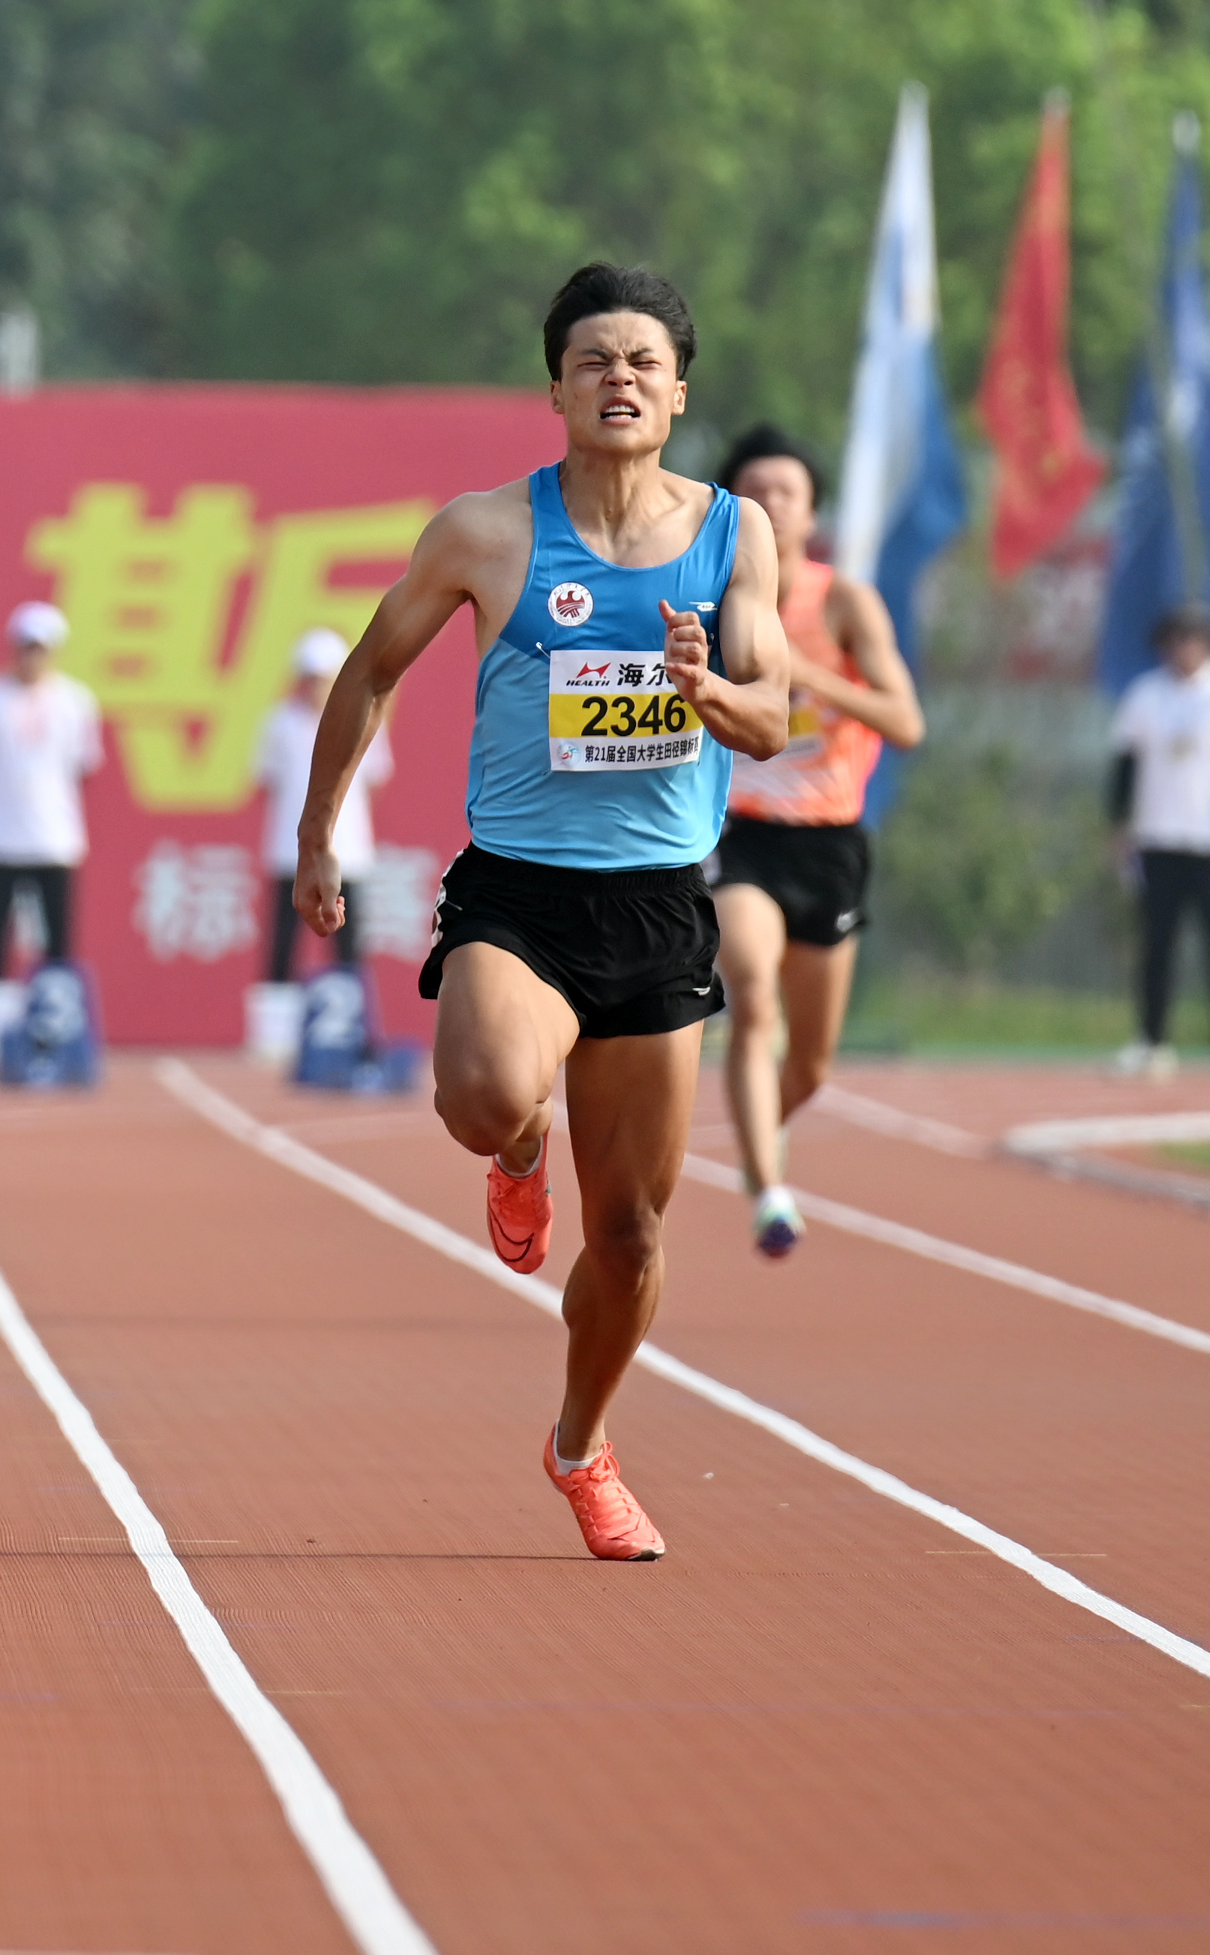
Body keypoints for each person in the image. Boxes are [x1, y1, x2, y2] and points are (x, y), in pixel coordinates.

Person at [293, 264, 790, 1561]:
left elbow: (774, 719)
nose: (618, 379)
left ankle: (581, 1445)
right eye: (592, 361)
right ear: (556, 387)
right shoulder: (485, 532)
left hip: (660, 909)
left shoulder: (735, 533)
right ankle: (517, 1157)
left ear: (678, 390)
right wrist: (316, 833)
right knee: (480, 1095)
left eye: (642, 361)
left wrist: (706, 693)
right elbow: (369, 670)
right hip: (519, 892)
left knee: (628, 1237)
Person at [707, 425, 923, 1252]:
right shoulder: (713, 596)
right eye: (752, 490)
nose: (769, 502)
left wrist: (813, 676)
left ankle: (763, 1133)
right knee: (751, 996)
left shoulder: (843, 603)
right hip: (744, 835)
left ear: (809, 510)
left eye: (785, 490)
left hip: (830, 844)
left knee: (810, 1066)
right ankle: (769, 1189)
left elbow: (905, 720)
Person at [0, 600, 104, 978]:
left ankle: (55, 1020)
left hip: (54, 839)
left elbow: (83, 765)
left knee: (58, 938)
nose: (31, 657)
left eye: (40, 649)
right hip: (0, 838)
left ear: (54, 652)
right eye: (25, 647)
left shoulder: (75, 702)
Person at [256, 627, 391, 981]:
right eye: (310, 678)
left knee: (349, 942)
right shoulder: (280, 723)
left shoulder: (363, 717)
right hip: (292, 851)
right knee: (284, 941)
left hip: (348, 850)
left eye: (324, 679)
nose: (316, 687)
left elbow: (374, 779)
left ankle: (351, 1023)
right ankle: (274, 1029)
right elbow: (268, 781)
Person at [1112, 604, 1210, 1080]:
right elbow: (1124, 767)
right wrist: (1117, 826)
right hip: (1158, 840)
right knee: (1157, 946)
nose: (1183, 649)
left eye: (1192, 639)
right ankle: (1153, 1042)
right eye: (1175, 639)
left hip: (1207, 841)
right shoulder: (1145, 696)